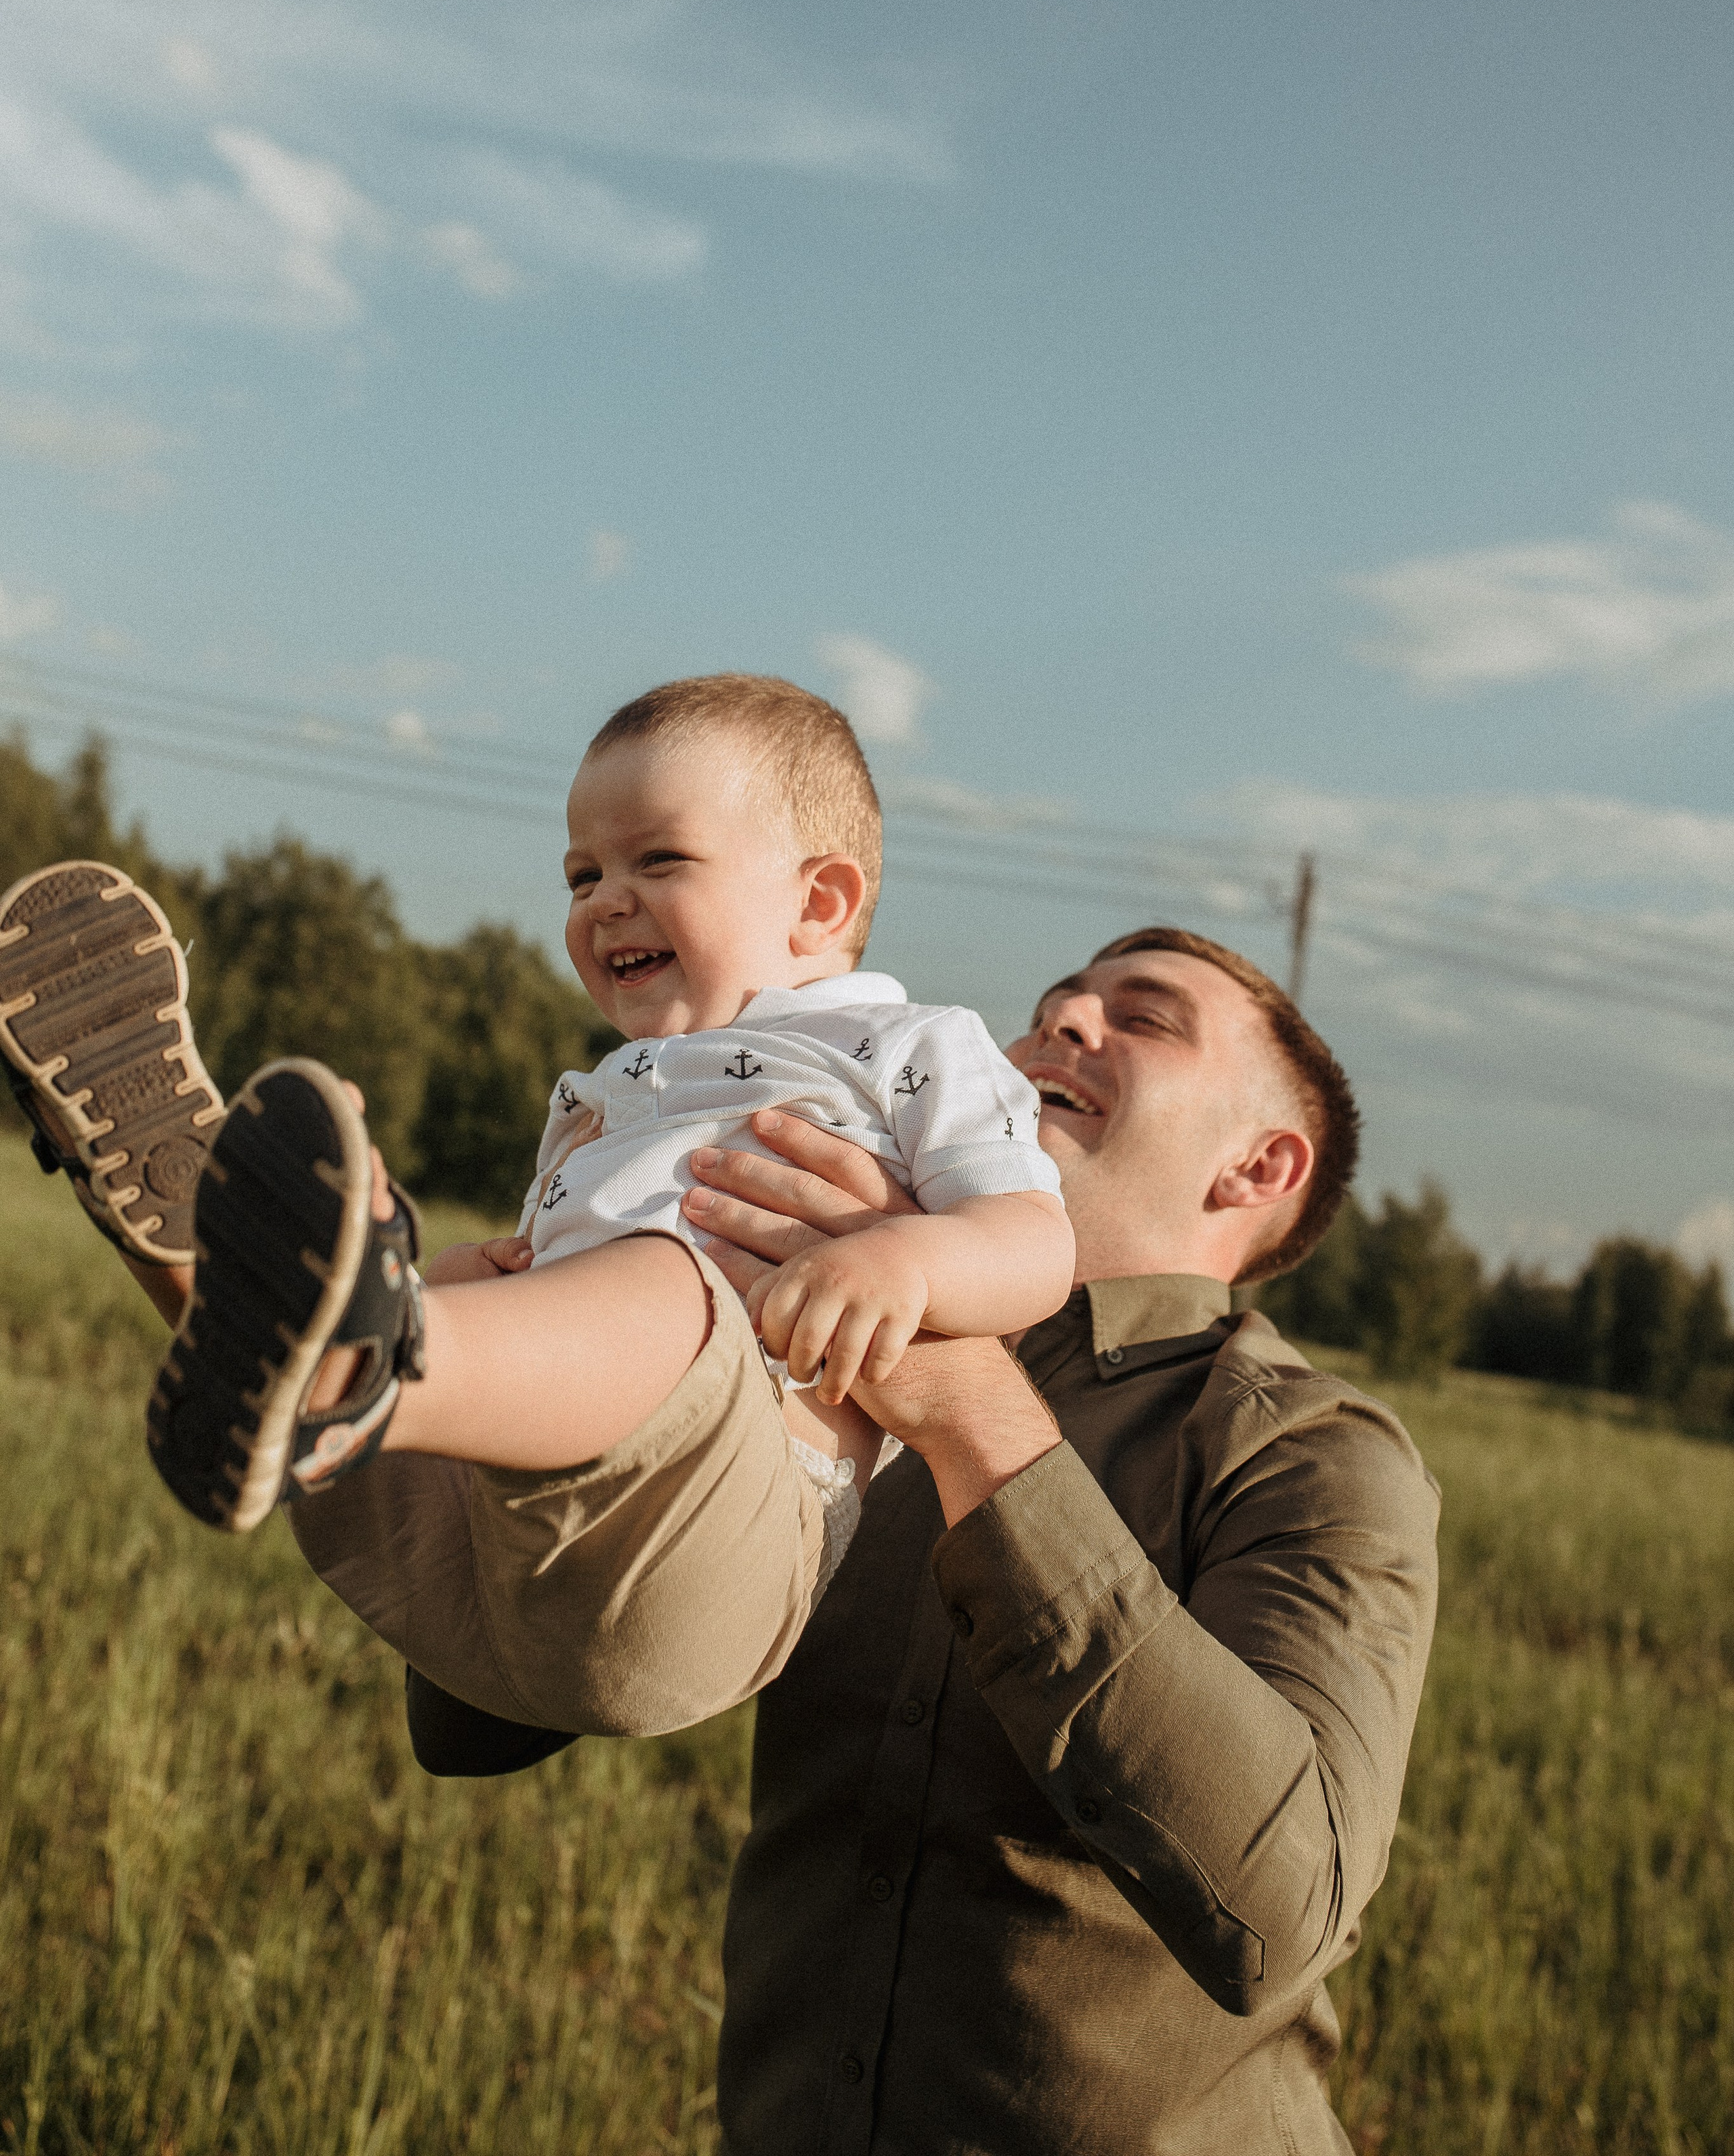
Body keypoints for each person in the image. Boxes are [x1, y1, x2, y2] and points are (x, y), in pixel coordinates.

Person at [412, 926, 1440, 2154]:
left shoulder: (1318, 1453)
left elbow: (1280, 1911)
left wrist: (972, 1410)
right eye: (1055, 1001)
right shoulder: (800, 1350)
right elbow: (476, 1717)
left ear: (1260, 1166)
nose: (1065, 1020)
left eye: (1145, 1017)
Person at [3, 674, 1073, 1738]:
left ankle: (354, 1345)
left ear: (820, 902)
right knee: (455, 1305)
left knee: (663, 1286)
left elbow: (1035, 1241)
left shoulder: (906, 1046)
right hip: (488, 1580)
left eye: (659, 859)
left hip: (715, 1547)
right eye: (580, 874)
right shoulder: (611, 1093)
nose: (605, 898)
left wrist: (909, 1267)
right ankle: (237, 1277)